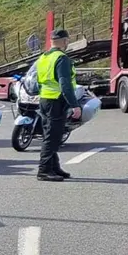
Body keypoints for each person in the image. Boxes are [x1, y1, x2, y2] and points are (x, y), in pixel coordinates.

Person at [36, 29, 82, 182]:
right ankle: (44, 170)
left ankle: (54, 167)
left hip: (44, 99)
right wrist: (75, 105)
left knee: (50, 134)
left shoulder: (43, 57)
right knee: (53, 137)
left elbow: (38, 80)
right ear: (65, 41)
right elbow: (65, 84)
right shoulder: (62, 58)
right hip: (56, 100)